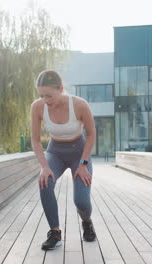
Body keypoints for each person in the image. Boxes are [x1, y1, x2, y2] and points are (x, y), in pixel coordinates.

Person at [30, 70, 96, 250]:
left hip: (79, 153)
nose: (46, 100)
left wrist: (83, 164)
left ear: (61, 88)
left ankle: (87, 222)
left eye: (49, 95)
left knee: (81, 201)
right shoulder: (37, 107)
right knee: (44, 182)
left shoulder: (80, 105)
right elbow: (35, 140)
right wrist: (44, 166)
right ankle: (55, 231)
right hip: (55, 152)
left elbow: (91, 135)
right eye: (41, 95)